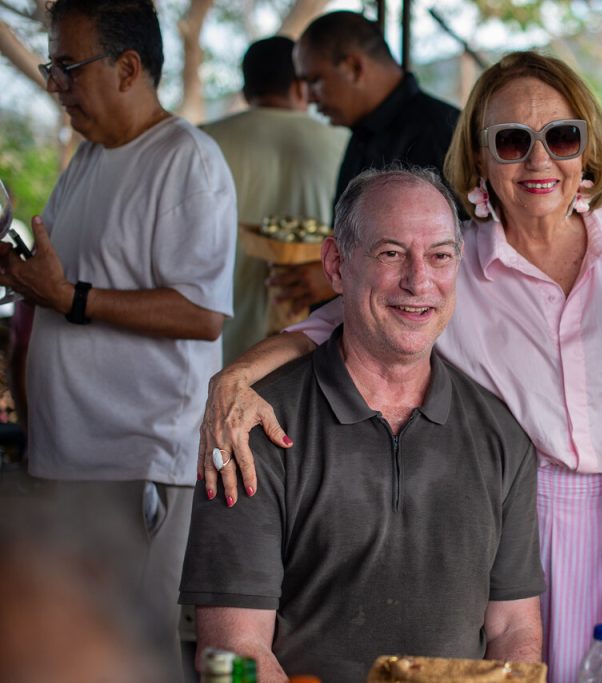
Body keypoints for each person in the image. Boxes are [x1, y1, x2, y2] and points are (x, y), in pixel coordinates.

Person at [198, 52, 602, 683]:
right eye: (513, 141)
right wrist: (235, 378)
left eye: (562, 137)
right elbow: (335, 324)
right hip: (525, 538)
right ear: (480, 159)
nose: (540, 160)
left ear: (588, 149)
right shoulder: (451, 263)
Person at [180, 167, 544, 680]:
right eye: (391, 253)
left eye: (440, 256)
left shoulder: (502, 435)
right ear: (336, 264)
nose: (419, 280)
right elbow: (233, 650)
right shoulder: (250, 430)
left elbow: (513, 630)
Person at [0, 0, 235, 675]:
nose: (55, 85)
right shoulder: (88, 158)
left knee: (131, 655)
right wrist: (25, 274)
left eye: (68, 67)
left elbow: (202, 313)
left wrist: (69, 298)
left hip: (138, 457)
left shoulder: (186, 160)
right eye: (51, 68)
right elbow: (65, 280)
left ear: (128, 68)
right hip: (68, 454)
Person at [272, 11, 461, 313]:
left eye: (315, 80)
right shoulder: (362, 131)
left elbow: (466, 251)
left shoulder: (444, 133)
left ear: (354, 67)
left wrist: (343, 273)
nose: (308, 98)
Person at [202, 36, 348, 363]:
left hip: (221, 344)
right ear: (300, 87)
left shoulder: (202, 142)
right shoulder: (344, 142)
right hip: (316, 343)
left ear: (245, 91)